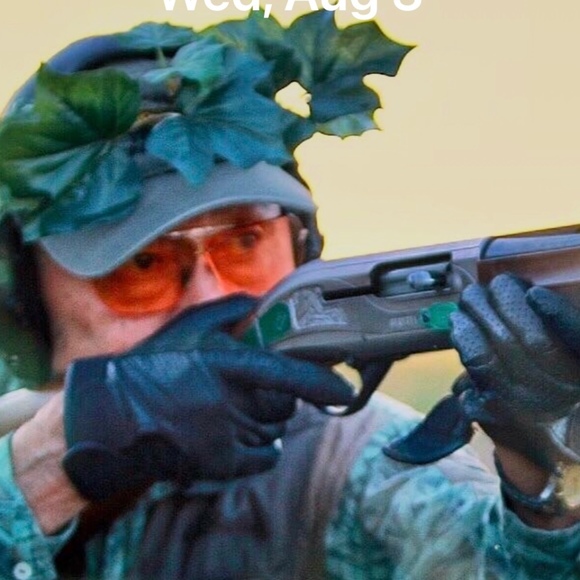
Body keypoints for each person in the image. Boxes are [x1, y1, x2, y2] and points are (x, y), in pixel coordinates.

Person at [1, 13, 580, 580]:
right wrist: (48, 469)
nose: (212, 296)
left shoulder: (347, 457)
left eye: (245, 243)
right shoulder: (19, 439)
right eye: (144, 265)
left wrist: (550, 486)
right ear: (31, 302)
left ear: (303, 251)